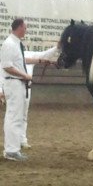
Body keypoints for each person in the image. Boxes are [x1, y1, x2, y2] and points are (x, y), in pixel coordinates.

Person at [0, 18, 58, 161]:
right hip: (14, 83)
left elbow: (23, 61)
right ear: (19, 27)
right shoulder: (9, 44)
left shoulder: (16, 44)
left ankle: (13, 148)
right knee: (13, 116)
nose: (26, 30)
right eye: (25, 28)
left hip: (18, 84)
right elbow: (7, 67)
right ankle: (11, 151)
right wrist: (25, 75)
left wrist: (43, 61)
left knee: (16, 116)